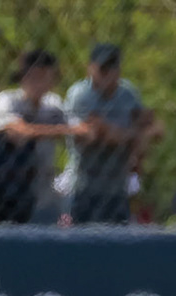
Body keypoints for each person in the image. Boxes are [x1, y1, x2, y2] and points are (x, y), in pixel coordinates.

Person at [61, 42, 154, 225]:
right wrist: (129, 136)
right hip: (83, 185)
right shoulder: (80, 94)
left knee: (118, 242)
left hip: (118, 186)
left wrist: (115, 132)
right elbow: (91, 135)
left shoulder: (128, 93)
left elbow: (152, 127)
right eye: (103, 69)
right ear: (90, 68)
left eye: (113, 67)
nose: (109, 74)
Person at [0, 49, 73, 224]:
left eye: (45, 76)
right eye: (34, 76)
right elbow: (20, 131)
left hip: (45, 188)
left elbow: (75, 131)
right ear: (23, 77)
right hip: (11, 187)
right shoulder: (7, 100)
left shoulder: (54, 104)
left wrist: (64, 130)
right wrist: (56, 130)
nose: (39, 82)